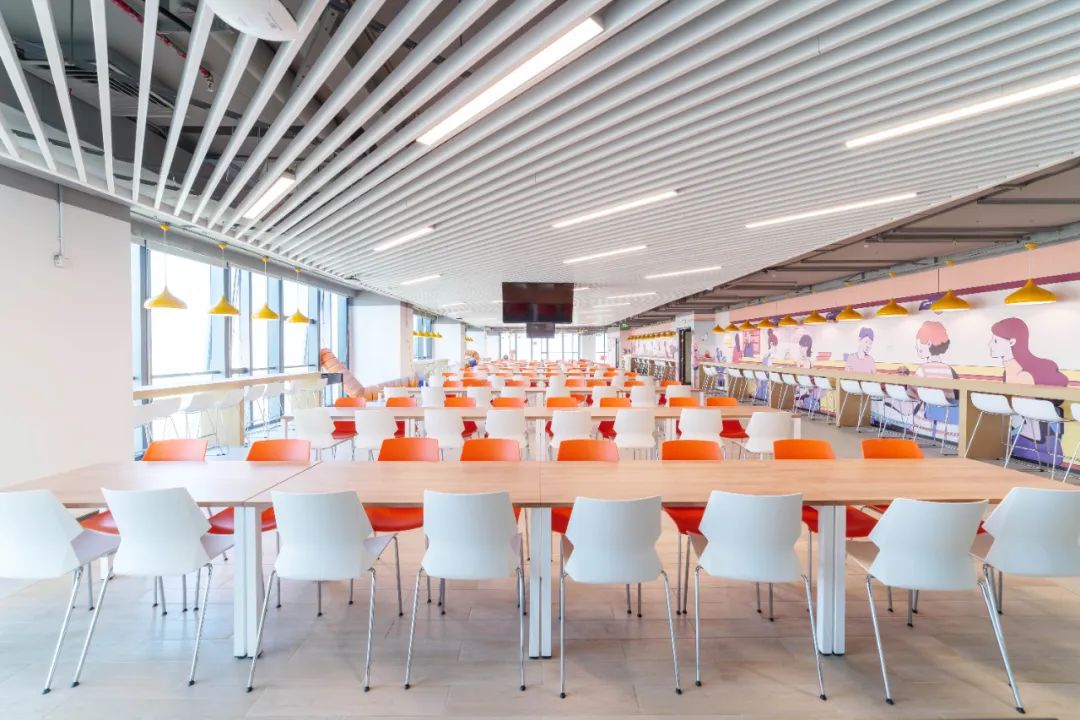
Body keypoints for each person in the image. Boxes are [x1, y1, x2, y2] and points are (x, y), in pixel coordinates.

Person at [989, 317, 1068, 385]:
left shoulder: (1024, 376)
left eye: (995, 341)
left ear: (1012, 342)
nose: (990, 344)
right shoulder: (1007, 373)